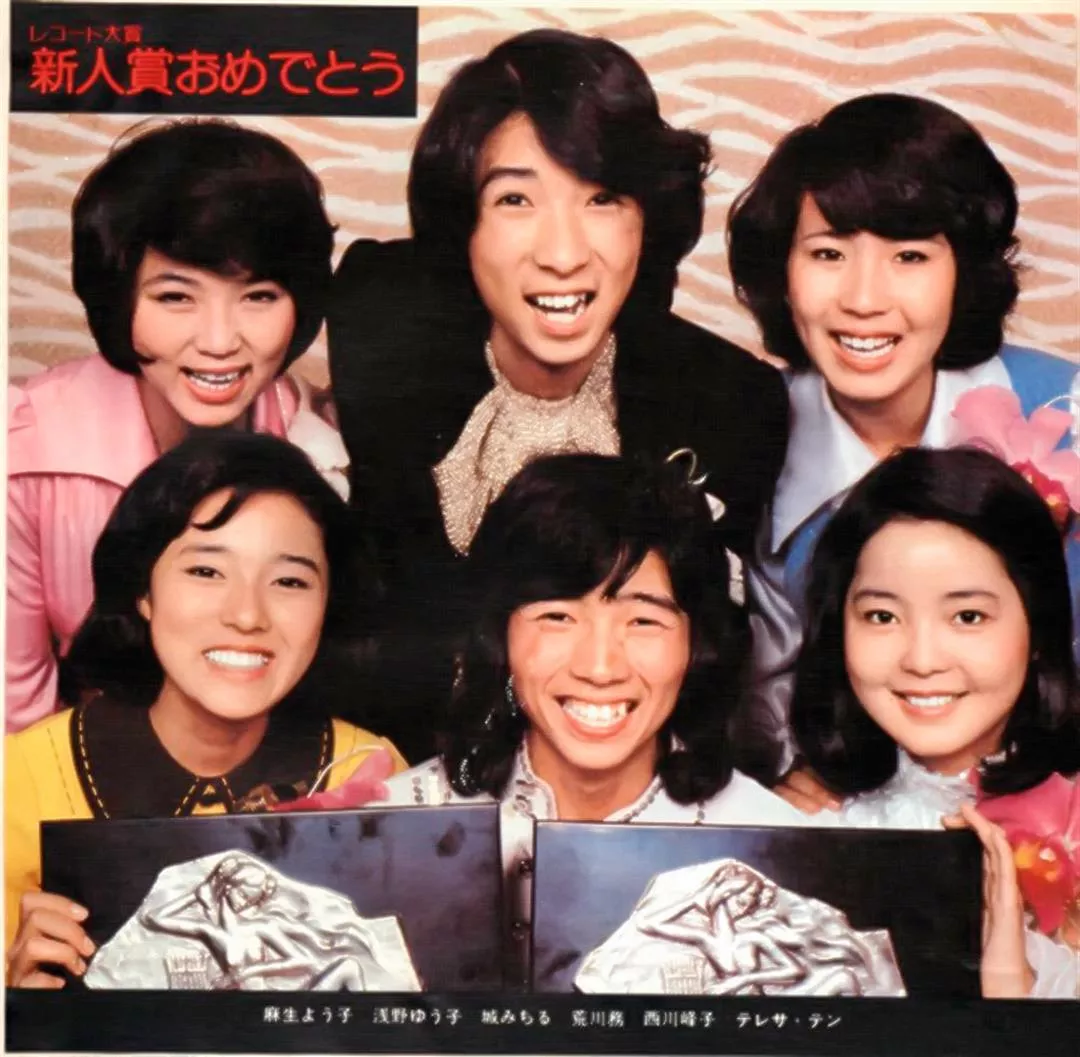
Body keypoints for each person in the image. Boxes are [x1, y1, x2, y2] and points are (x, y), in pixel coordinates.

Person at [328, 28, 789, 761]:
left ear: (646, 221)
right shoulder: (380, 333)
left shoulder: (730, 401)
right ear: (465, 226)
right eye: (516, 199)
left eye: (602, 199)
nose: (564, 253)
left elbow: (718, 659)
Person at [725, 92, 1080, 792]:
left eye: (910, 255)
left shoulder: (1067, 410)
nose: (864, 299)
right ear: (782, 274)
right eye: (828, 253)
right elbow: (764, 715)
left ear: (963, 273)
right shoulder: (746, 433)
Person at [372, 454, 806, 985]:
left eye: (643, 620)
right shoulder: (387, 830)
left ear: (696, 643)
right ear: (500, 636)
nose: (600, 668)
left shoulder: (781, 852)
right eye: (558, 616)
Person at [5, 432, 405, 989]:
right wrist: (17, 1003)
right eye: (206, 572)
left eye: (289, 581)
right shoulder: (21, 777)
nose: (247, 615)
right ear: (143, 591)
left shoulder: (371, 772)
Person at [6, 119, 348, 733]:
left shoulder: (326, 444)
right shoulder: (24, 452)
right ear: (120, 300)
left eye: (259, 296)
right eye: (175, 297)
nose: (219, 342)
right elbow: (13, 717)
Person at [790, 446, 1080, 999]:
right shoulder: (798, 823)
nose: (922, 660)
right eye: (882, 616)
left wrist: (1010, 985)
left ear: (1040, 628)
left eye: (968, 616)